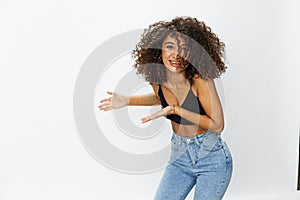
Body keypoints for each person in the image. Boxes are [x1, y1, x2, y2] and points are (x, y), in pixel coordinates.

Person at [98, 16, 233, 200]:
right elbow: (162, 98)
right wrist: (128, 100)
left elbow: (217, 125)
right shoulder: (158, 78)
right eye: (170, 47)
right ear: (158, 49)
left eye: (184, 49)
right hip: (180, 158)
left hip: (211, 159)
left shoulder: (201, 79)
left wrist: (176, 110)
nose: (177, 55)